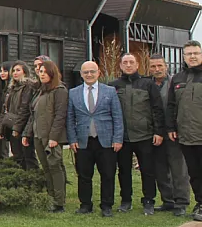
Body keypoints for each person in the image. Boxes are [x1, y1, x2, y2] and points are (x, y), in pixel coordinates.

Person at [110, 53, 164, 215]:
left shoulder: (148, 84)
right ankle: (126, 200)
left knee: (147, 170)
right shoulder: (113, 86)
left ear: (137, 65)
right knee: (124, 171)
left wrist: (158, 131)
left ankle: (149, 201)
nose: (128, 65)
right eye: (125, 62)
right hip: (123, 137)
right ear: (120, 65)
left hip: (145, 135)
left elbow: (157, 109)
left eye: (131, 62)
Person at [68, 60, 124, 217]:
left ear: (99, 73)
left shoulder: (110, 91)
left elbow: (117, 117)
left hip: (106, 140)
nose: (89, 74)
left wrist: (118, 138)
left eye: (92, 71)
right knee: (84, 175)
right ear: (81, 74)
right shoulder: (73, 93)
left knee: (108, 174)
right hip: (83, 141)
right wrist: (72, 139)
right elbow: (70, 118)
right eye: (86, 72)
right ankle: (85, 205)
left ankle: (106, 205)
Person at [23, 60, 68, 213]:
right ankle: (51, 198)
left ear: (52, 73)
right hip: (38, 136)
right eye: (40, 71)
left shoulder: (60, 90)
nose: (41, 74)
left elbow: (60, 115)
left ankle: (59, 202)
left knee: (55, 167)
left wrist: (54, 137)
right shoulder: (40, 91)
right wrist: (27, 133)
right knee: (46, 168)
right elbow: (33, 115)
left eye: (44, 71)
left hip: (51, 137)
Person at [150, 53, 190, 216]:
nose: (157, 69)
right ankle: (168, 200)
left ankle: (181, 202)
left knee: (178, 169)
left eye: (160, 65)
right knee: (160, 169)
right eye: (153, 66)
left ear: (166, 66)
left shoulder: (176, 83)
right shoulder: (147, 84)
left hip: (173, 132)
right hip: (155, 134)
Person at [166, 40, 202, 222]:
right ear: (184, 57)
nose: (192, 56)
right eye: (189, 54)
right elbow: (171, 105)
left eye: (196, 53)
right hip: (186, 135)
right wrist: (171, 127)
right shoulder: (178, 78)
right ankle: (200, 202)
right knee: (194, 173)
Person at [0, 61, 39, 170]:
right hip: (12, 125)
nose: (15, 73)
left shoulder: (28, 87)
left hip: (24, 127)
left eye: (18, 70)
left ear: (25, 72)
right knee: (17, 156)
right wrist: (0, 128)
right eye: (13, 70)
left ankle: (32, 177)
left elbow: (24, 109)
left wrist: (17, 129)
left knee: (28, 156)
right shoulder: (11, 88)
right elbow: (5, 109)